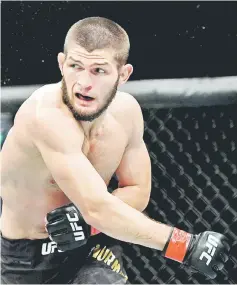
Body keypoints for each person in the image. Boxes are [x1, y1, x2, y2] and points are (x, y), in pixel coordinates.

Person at [1, 17, 230, 284]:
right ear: (61, 64)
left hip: (93, 246)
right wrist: (184, 246)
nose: (84, 82)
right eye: (76, 66)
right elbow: (97, 207)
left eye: (98, 70)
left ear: (123, 75)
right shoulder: (45, 115)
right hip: (26, 259)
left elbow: (138, 192)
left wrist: (87, 225)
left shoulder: (127, 113)